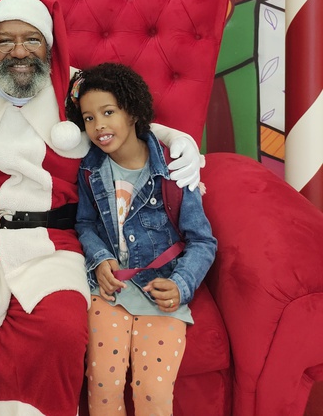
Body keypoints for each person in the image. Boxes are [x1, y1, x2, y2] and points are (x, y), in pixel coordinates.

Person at [0, 0, 204, 416]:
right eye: (5, 41)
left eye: (32, 40)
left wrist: (174, 138)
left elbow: (121, 119)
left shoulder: (77, 89)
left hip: (53, 238)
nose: (19, 52)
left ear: (49, 46)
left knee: (63, 328)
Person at [65, 62, 217, 416]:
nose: (99, 126)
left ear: (132, 112)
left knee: (153, 391)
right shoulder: (89, 169)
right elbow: (85, 223)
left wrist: (181, 284)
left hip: (160, 291)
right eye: (89, 118)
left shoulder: (173, 170)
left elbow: (202, 241)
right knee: (103, 384)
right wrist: (100, 258)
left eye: (108, 112)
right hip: (109, 291)